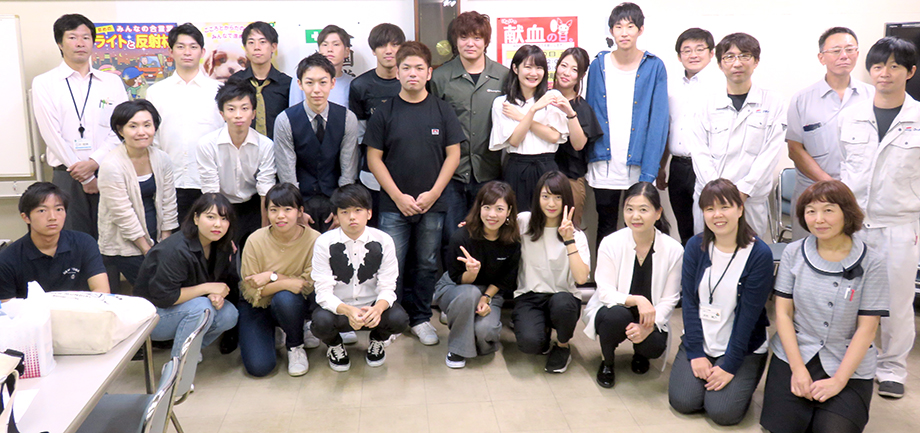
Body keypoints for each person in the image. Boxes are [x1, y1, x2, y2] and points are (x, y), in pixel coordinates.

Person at [760, 180, 888, 433]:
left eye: (828, 210)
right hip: (796, 352)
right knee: (782, 427)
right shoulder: (793, 253)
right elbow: (783, 314)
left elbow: (867, 328)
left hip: (846, 360)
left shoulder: (872, 262)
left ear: (846, 213)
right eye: (811, 211)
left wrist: (839, 381)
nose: (819, 219)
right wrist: (797, 369)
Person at [366, 41, 464, 346]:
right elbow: (373, 158)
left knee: (426, 263)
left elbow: (453, 155)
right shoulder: (385, 112)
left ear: (429, 73)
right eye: (406, 67)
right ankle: (391, 320)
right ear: (397, 72)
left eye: (419, 68)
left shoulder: (442, 110)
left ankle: (421, 318)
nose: (412, 73)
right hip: (392, 205)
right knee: (391, 264)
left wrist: (434, 193)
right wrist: (397, 196)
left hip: (432, 204)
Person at [838, 36, 919, 399]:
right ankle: (859, 360)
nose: (884, 73)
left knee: (897, 303)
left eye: (894, 66)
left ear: (910, 72)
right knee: (851, 297)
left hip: (900, 225)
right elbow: (845, 165)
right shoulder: (851, 116)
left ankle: (892, 369)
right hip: (855, 225)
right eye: (877, 66)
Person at [668, 178, 773, 426]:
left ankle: (743, 374)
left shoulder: (759, 254)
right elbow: (690, 303)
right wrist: (695, 352)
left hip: (742, 347)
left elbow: (749, 317)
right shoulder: (695, 246)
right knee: (684, 401)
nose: (717, 215)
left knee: (723, 412)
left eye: (725, 207)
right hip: (702, 340)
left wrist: (730, 365)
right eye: (709, 208)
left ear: (740, 209)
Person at [32, 14, 129, 239]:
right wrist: (85, 176)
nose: (80, 43)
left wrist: (94, 162)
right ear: (60, 43)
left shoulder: (112, 82)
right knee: (73, 240)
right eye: (72, 37)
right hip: (68, 175)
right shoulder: (45, 83)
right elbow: (51, 134)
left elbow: (121, 128)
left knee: (113, 239)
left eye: (86, 37)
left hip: (109, 170)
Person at [687, 33, 787, 238]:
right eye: (729, 57)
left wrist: (744, 191)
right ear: (720, 64)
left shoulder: (773, 102)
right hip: (711, 199)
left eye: (744, 56)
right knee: (708, 252)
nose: (737, 63)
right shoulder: (704, 103)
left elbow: (771, 153)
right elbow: (699, 151)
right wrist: (720, 194)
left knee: (749, 252)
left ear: (756, 61)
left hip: (750, 199)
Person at [583, 182, 682, 388]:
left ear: (658, 213)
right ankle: (607, 362)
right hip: (616, 310)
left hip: (649, 316)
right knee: (614, 316)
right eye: (629, 209)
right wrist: (638, 300)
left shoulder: (674, 250)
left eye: (643, 210)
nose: (635, 216)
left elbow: (670, 299)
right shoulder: (611, 243)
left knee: (654, 345)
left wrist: (649, 326)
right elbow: (605, 292)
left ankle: (641, 354)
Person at [585, 3, 668, 246]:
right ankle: (606, 272)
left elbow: (659, 121)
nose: (624, 32)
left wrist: (651, 169)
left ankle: (641, 272)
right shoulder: (598, 65)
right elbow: (589, 114)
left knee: (641, 227)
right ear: (611, 31)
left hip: (639, 163)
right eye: (618, 27)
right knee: (606, 226)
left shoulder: (654, 66)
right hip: (604, 163)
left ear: (640, 30)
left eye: (630, 26)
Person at [431, 11, 509, 256]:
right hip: (451, 173)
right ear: (455, 41)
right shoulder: (440, 77)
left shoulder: (504, 76)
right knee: (451, 237)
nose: (470, 43)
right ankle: (455, 279)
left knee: (490, 236)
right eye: (464, 37)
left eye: (477, 38)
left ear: (486, 41)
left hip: (490, 170)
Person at [786, 27, 874, 240]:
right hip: (813, 196)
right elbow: (795, 149)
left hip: (860, 196)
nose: (844, 56)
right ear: (821, 57)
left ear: (857, 53)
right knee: (808, 254)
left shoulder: (873, 97)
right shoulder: (802, 100)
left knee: (856, 253)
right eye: (836, 50)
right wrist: (830, 185)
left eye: (850, 49)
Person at [311, 184, 409, 371]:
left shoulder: (384, 240)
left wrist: (378, 309)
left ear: (369, 213)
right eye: (344, 212)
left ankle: (378, 340)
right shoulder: (324, 242)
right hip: (339, 308)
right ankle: (334, 345)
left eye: (358, 210)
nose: (352, 217)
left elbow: (388, 286)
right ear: (336, 216)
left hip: (371, 307)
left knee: (399, 319)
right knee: (320, 323)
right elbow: (323, 291)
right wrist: (347, 310)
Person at [134, 193, 240, 360]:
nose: (218, 224)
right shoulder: (175, 249)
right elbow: (165, 297)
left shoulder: (221, 245)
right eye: (210, 217)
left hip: (185, 308)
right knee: (202, 307)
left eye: (224, 218)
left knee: (229, 314)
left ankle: (190, 350)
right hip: (152, 317)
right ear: (196, 218)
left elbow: (218, 283)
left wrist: (216, 295)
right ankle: (178, 367)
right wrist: (206, 289)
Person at [434, 181, 521, 368]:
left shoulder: (513, 241)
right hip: (456, 288)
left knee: (486, 332)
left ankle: (470, 331)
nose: (492, 215)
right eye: (487, 207)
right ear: (479, 208)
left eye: (499, 209)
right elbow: (457, 278)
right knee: (470, 293)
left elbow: (505, 279)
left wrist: (486, 298)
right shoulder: (462, 236)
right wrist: (471, 273)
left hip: (490, 292)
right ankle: (457, 350)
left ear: (509, 211)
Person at [238, 183, 321, 377]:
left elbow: (307, 285)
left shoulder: (315, 240)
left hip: (293, 303)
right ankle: (277, 328)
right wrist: (285, 282)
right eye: (274, 210)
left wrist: (270, 276)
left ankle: (295, 344)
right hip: (257, 305)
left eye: (287, 209)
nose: (280, 216)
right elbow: (250, 289)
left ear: (300, 211)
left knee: (286, 298)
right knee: (260, 368)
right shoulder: (255, 240)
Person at [146, 22, 224, 223]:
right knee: (171, 237)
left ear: (202, 52)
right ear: (171, 51)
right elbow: (152, 138)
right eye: (181, 47)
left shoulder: (218, 90)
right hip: (169, 181)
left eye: (193, 47)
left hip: (209, 182)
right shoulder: (156, 92)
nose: (187, 52)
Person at [513, 171, 590, 373]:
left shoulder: (577, 235)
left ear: (566, 200)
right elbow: (495, 226)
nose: (551, 203)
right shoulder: (524, 221)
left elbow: (581, 278)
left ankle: (563, 346)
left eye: (558, 197)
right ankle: (543, 331)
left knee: (563, 304)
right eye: (545, 196)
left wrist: (569, 239)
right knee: (530, 344)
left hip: (563, 296)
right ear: (537, 197)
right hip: (529, 295)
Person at [97, 100, 178, 291]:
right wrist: (147, 250)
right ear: (120, 130)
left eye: (147, 125)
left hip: (157, 237)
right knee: (155, 290)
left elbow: (169, 202)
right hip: (125, 243)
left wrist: (164, 244)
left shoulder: (162, 158)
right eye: (133, 126)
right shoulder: (111, 165)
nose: (142, 132)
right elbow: (122, 214)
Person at [274, 53, 359, 233]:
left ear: (332, 83)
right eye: (310, 83)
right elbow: (287, 174)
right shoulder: (285, 120)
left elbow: (348, 171)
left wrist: (342, 209)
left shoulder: (347, 118)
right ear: (300, 84)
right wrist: (296, 210)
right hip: (301, 201)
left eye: (323, 82)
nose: (316, 90)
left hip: (335, 201)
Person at [657, 28, 721, 245]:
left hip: (708, 165)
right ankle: (690, 266)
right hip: (677, 166)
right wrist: (662, 166)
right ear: (679, 56)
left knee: (709, 227)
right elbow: (668, 128)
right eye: (687, 50)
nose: (693, 55)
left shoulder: (721, 86)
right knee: (684, 227)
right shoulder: (672, 88)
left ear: (711, 53)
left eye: (699, 49)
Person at [489, 45, 569, 213]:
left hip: (547, 168)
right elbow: (515, 140)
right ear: (515, 68)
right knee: (517, 220)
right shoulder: (502, 103)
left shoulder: (552, 97)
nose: (534, 73)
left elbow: (553, 136)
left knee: (548, 219)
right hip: (517, 168)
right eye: (528, 67)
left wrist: (521, 117)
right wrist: (532, 110)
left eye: (539, 68)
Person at [198, 81, 276, 248]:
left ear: (253, 113)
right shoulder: (207, 144)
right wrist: (219, 225)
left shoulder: (265, 145)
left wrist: (264, 230)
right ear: (222, 114)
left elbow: (265, 189)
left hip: (254, 205)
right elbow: (211, 191)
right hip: (221, 205)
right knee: (224, 254)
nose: (238, 115)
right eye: (231, 109)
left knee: (256, 249)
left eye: (244, 108)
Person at [0, 182, 109, 301]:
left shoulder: (84, 243)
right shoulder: (8, 259)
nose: (52, 217)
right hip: (32, 313)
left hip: (80, 310)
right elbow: (8, 306)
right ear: (26, 217)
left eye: (59, 209)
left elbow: (102, 291)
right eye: (42, 210)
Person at [349, 23, 406, 227]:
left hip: (408, 174)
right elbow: (359, 136)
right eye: (382, 45)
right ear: (373, 50)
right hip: (371, 177)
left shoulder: (413, 82)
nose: (389, 50)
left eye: (395, 44)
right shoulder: (360, 86)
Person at [551, 47, 603, 228]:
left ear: (581, 75)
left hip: (570, 181)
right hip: (541, 176)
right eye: (563, 66)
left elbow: (579, 145)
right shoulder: (542, 99)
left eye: (574, 69)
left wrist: (569, 112)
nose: (566, 73)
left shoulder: (582, 107)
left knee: (569, 232)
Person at [228, 21, 291, 139]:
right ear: (245, 48)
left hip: (278, 147)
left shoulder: (287, 84)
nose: (257, 47)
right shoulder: (235, 82)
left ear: (273, 47)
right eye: (251, 42)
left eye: (262, 42)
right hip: (243, 146)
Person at [289, 25, 354, 108]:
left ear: (347, 51)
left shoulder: (352, 83)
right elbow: (295, 111)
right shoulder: (303, 77)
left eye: (336, 44)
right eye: (325, 45)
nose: (330, 49)